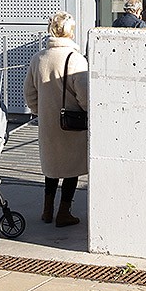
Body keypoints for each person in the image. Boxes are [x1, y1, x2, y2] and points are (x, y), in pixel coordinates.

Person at [23, 12, 88, 227]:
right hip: (72, 123)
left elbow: (29, 92)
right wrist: (88, 113)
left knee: (52, 167)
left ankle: (47, 209)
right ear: (70, 31)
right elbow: (84, 95)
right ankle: (64, 212)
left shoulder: (39, 58)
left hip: (48, 122)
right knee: (71, 168)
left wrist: (39, 111)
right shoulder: (76, 59)